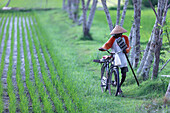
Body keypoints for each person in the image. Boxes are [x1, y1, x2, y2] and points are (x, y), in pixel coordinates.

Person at [99, 25, 131, 95]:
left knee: (124, 74)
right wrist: (103, 48)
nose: (118, 35)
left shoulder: (125, 38)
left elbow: (128, 46)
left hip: (123, 56)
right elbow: (107, 45)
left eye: (119, 34)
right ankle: (118, 89)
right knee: (116, 70)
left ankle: (118, 85)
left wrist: (127, 50)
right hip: (115, 56)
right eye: (117, 34)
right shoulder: (112, 39)